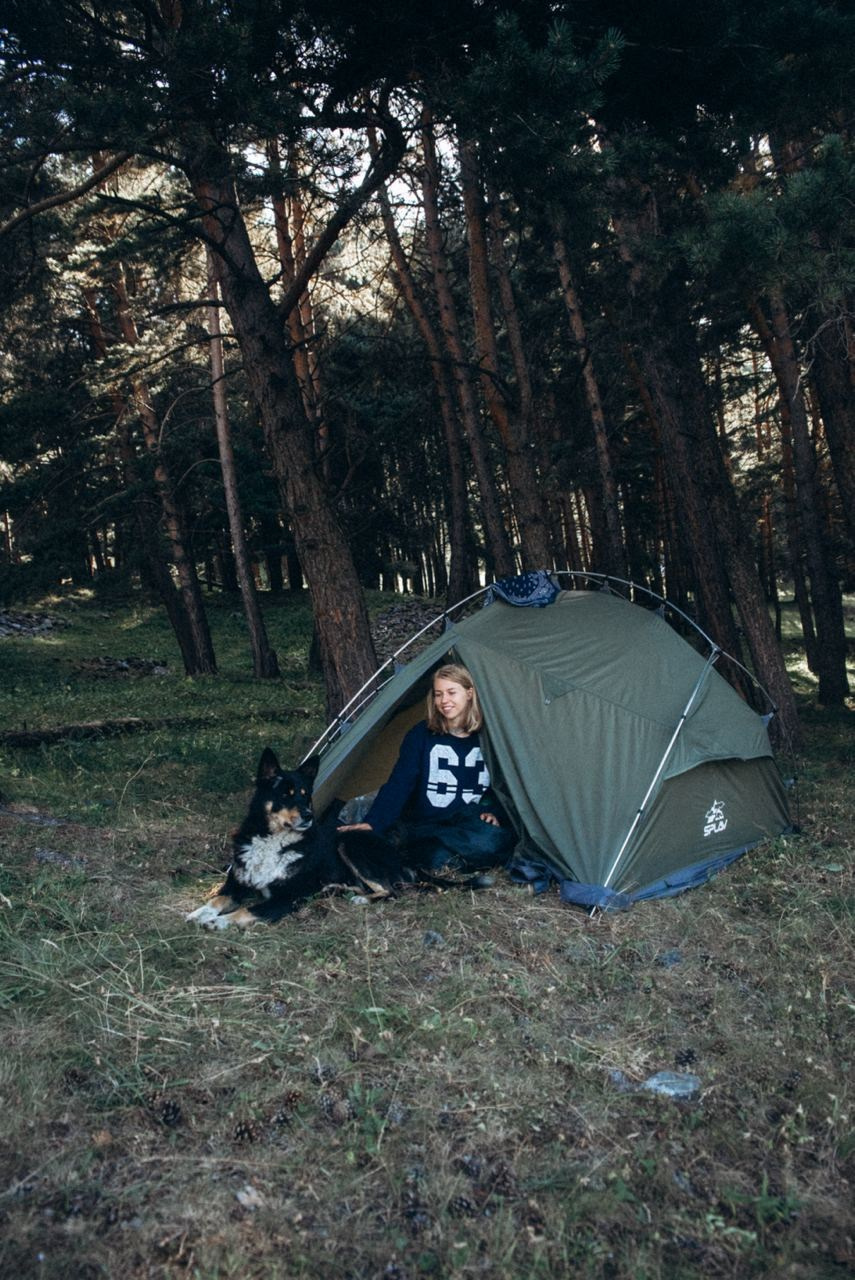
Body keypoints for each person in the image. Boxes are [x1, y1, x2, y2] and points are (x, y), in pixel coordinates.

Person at [337, 663, 515, 872]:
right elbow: (400, 783)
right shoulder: (421, 735)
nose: (444, 700)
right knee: (433, 856)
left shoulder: (489, 737)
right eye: (438, 694)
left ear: (469, 693)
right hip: (426, 824)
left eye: (451, 692)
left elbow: (505, 784)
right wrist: (374, 823)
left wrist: (494, 812)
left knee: (495, 840)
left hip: (468, 823)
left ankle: (449, 855)